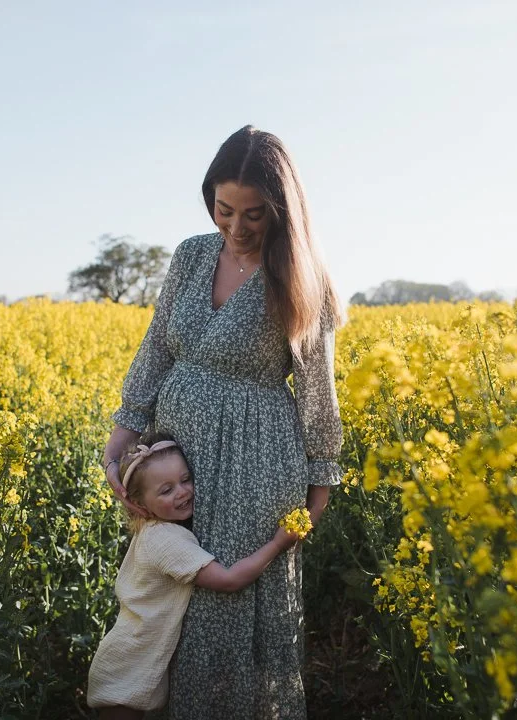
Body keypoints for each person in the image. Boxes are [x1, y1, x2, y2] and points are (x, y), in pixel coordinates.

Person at [102, 125, 344, 719]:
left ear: (282, 210)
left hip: (253, 462)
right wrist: (124, 432)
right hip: (176, 455)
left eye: (254, 214)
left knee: (227, 606)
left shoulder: (302, 276)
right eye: (223, 209)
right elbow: (157, 346)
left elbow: (318, 390)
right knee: (173, 594)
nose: (237, 227)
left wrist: (319, 486)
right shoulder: (191, 255)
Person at [87, 433, 299, 719]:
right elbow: (229, 580)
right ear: (140, 504)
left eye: (186, 480)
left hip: (132, 657)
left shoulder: (157, 529)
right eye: (166, 490)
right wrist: (277, 544)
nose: (183, 492)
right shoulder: (165, 540)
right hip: (128, 668)